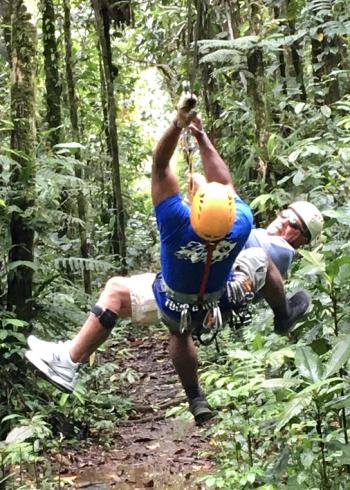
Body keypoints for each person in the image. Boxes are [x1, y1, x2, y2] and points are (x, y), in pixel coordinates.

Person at [25, 94, 323, 424]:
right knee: (251, 263)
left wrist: (177, 125)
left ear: (193, 208)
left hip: (172, 301)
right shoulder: (240, 223)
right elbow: (225, 183)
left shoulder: (176, 223)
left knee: (144, 306)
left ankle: (74, 360)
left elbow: (160, 164)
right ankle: (278, 320)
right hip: (214, 299)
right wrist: (201, 137)